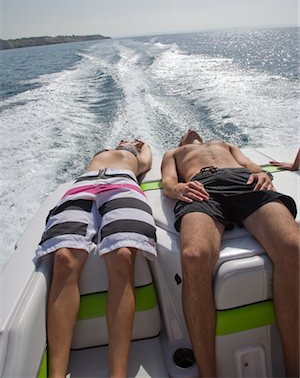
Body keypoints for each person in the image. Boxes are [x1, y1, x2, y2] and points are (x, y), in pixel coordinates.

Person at [161, 130, 299, 378]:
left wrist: (261, 172)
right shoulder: (174, 153)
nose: (190, 131)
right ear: (181, 140)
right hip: (201, 187)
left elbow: (249, 165)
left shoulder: (226, 145)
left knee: (294, 248)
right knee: (193, 257)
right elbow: (168, 181)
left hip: (243, 181)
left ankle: (295, 370)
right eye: (184, 133)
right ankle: (208, 374)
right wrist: (179, 188)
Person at [34, 139, 156, 378]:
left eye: (129, 142)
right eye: (123, 140)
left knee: (122, 255)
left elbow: (147, 160)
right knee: (64, 258)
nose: (125, 141)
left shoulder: (134, 157)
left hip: (123, 184)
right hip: (83, 186)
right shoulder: (100, 153)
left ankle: (117, 374)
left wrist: (142, 146)